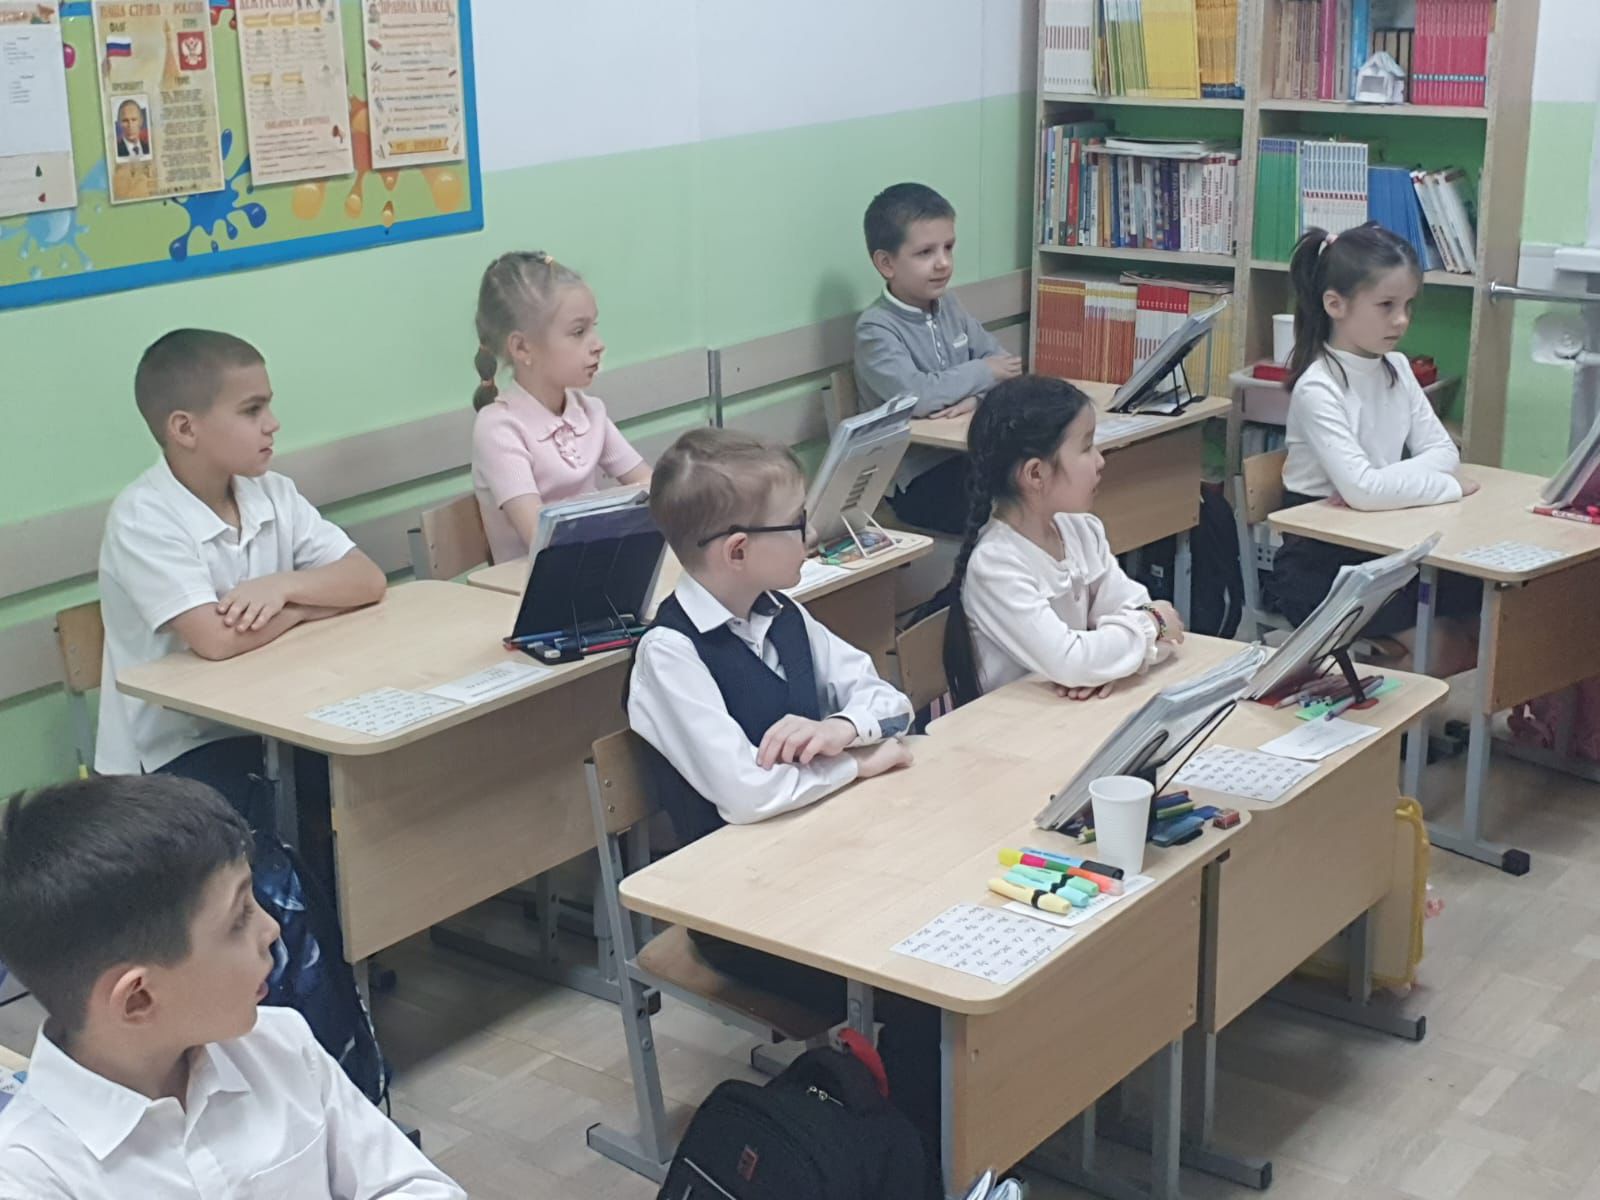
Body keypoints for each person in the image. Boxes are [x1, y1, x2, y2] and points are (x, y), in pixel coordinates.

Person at [626, 427, 937, 1144]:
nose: (811, 535)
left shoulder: (784, 613)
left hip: (825, 863)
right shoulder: (670, 655)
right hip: (742, 913)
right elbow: (746, 795)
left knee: (935, 928)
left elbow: (889, 701)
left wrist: (843, 728)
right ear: (738, 550)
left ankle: (931, 1136)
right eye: (796, 523)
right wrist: (857, 764)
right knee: (918, 984)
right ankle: (902, 1157)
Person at [0, 774, 465, 1199]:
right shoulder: (33, 1176)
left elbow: (410, 1184)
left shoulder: (281, 1043)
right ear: (138, 998)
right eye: (239, 917)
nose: (271, 929)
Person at [97, 330, 386, 818]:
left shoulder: (273, 491)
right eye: (252, 410)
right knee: (324, 807)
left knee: (377, 782)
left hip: (276, 719)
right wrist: (306, 609)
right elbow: (216, 640)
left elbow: (367, 579)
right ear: (185, 429)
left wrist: (282, 587)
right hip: (175, 752)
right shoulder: (143, 517)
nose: (272, 424)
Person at [1267, 222, 1479, 674]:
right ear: (1335, 305)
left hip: (1387, 541)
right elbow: (1365, 491)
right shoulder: (1318, 387)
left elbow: (1444, 453)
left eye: (1408, 305)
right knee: (1445, 645)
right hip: (1323, 563)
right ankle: (1370, 706)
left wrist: (1380, 485)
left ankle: (1381, 692)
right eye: (1386, 305)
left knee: (1487, 613)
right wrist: (1447, 487)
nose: (1401, 320)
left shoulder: (1397, 367)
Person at [941, 375, 1184, 706]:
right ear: (1035, 474)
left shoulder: (1080, 529)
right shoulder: (996, 564)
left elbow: (1144, 614)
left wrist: (1109, 665)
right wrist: (1151, 627)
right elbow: (1073, 660)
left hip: (1074, 712)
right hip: (1017, 726)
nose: (1100, 460)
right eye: (1086, 447)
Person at [854, 182, 1022, 534]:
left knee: (1042, 479)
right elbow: (919, 396)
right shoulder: (876, 329)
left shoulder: (949, 306)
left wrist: (975, 400)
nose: (943, 263)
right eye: (925, 252)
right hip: (917, 477)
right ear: (886, 263)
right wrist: (982, 371)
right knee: (1016, 504)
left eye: (948, 247)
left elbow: (1006, 366)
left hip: (967, 454)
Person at [470, 251, 652, 562]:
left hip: (597, 566)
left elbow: (651, 487)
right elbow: (542, 538)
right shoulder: (498, 429)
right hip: (529, 586)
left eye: (594, 327)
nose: (598, 344)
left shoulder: (590, 411)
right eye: (579, 332)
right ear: (522, 347)